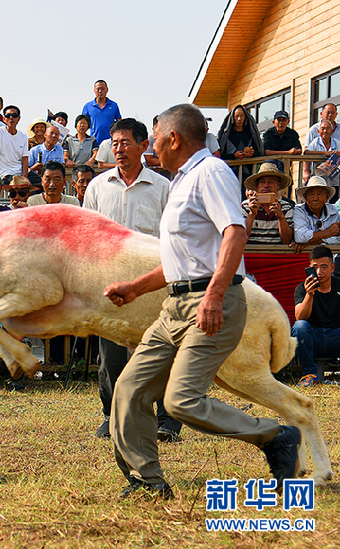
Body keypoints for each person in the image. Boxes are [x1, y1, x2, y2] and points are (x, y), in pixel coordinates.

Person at [104, 103, 300, 499]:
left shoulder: (211, 172)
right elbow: (179, 260)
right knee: (129, 390)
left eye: (155, 137)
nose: (151, 145)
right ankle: (148, 482)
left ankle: (276, 436)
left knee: (181, 401)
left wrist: (213, 292)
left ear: (173, 138)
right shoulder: (179, 181)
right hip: (173, 308)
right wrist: (136, 288)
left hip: (212, 303)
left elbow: (234, 232)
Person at [82, 117, 176, 440]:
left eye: (125, 143)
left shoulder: (162, 188)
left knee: (159, 349)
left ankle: (167, 420)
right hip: (109, 281)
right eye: (115, 144)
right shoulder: (97, 187)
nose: (119, 150)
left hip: (151, 282)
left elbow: (172, 237)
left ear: (143, 146)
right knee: (110, 355)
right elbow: (87, 236)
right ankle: (112, 415)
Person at [292, 245, 340, 387]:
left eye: (324, 267)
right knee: (300, 326)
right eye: (315, 267)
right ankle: (309, 374)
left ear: (332, 268)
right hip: (313, 339)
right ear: (309, 267)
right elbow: (299, 317)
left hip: (336, 337)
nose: (319, 272)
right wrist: (310, 295)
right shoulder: (302, 288)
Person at [241, 163, 294, 245]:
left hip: (277, 255)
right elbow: (241, 238)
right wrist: (252, 214)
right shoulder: (246, 207)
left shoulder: (287, 207)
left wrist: (281, 217)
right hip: (252, 255)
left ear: (278, 185)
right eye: (262, 182)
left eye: (271, 181)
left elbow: (286, 240)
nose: (266, 185)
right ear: (257, 186)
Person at [217, 104, 264, 181]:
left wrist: (251, 153)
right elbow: (221, 155)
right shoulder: (226, 135)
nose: (239, 118)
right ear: (233, 118)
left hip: (248, 174)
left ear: (245, 117)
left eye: (242, 115)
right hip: (229, 174)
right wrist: (234, 156)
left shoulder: (250, 134)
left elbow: (259, 152)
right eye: (237, 116)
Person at [293, 176, 340, 251]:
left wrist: (311, 242)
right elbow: (300, 237)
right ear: (305, 197)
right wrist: (329, 232)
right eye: (311, 194)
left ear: (327, 197)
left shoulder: (333, 210)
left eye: (319, 194)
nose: (315, 198)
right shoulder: (299, 210)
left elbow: (338, 239)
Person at [0, 105, 28, 183]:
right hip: (6, 174)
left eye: (14, 115)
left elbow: (25, 158)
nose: (11, 118)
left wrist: (25, 177)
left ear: (18, 118)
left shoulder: (23, 135)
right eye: (8, 116)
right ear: (4, 119)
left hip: (21, 173)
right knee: (19, 185)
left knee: (40, 183)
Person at [302, 120, 340, 187]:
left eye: (328, 129)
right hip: (318, 180)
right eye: (322, 129)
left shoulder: (337, 143)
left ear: (332, 131)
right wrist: (325, 153)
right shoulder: (316, 141)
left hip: (334, 180)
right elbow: (307, 152)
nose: (325, 131)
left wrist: (338, 154)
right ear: (318, 132)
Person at [81, 80, 121, 144]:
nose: (100, 91)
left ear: (107, 89)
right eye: (98, 89)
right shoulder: (88, 106)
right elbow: (82, 124)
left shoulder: (114, 105)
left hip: (110, 142)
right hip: (93, 142)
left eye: (102, 89)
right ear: (94, 90)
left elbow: (119, 122)